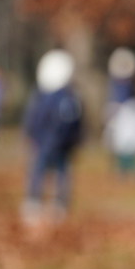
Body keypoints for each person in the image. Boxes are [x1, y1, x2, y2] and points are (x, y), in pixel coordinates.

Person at [21, 49, 84, 224]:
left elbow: (70, 123)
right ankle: (37, 202)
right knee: (44, 172)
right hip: (48, 143)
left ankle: (54, 204)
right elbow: (35, 119)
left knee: (54, 173)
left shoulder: (61, 97)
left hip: (54, 144)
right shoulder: (57, 96)